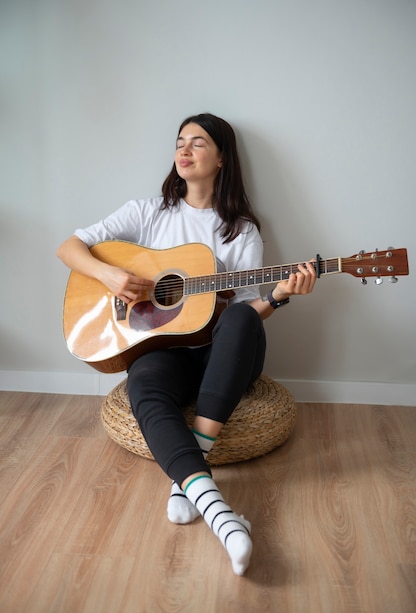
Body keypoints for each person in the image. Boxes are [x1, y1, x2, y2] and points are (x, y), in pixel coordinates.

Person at [57, 113, 316, 576]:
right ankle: (220, 515)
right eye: (180, 141)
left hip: (226, 354)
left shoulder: (241, 230)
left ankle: (190, 482)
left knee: (237, 313)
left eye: (198, 143)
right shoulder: (146, 212)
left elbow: (247, 317)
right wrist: (109, 274)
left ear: (221, 159)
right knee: (144, 385)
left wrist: (277, 298)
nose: (185, 149)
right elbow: (70, 247)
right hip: (163, 351)